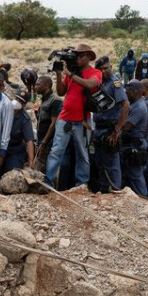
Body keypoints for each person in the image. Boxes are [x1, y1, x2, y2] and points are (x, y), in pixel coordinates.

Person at [45, 44, 101, 188]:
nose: (77, 58)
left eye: (80, 55)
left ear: (88, 56)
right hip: (65, 118)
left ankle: (81, 185)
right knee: (56, 151)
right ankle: (48, 182)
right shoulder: (72, 72)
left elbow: (90, 84)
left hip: (82, 120)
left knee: (82, 154)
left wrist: (70, 74)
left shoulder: (95, 72)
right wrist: (59, 74)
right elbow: (61, 92)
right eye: (76, 55)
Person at [91, 57, 130, 193]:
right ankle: (104, 191)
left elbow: (126, 106)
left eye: (106, 68)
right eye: (100, 69)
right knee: (100, 162)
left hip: (110, 128)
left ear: (111, 67)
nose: (103, 71)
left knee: (112, 164)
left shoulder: (115, 83)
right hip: (99, 127)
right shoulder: (100, 83)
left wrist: (117, 129)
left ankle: (116, 191)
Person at [121, 81, 148, 196]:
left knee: (136, 175)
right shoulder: (134, 104)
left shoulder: (139, 107)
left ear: (135, 92)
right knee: (131, 174)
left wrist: (116, 127)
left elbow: (127, 127)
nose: (126, 94)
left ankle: (143, 199)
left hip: (134, 145)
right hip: (132, 144)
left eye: (128, 92)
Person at [34, 75, 62, 172]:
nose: (35, 87)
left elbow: (53, 124)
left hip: (49, 143)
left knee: (48, 169)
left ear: (47, 85)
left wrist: (44, 142)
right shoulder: (44, 100)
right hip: (41, 141)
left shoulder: (55, 101)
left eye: (38, 84)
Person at [4, 89, 36, 174]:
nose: (17, 102)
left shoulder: (25, 118)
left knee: (12, 172)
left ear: (24, 105)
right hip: (0, 147)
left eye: (21, 101)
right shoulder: (4, 108)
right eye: (17, 99)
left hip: (15, 150)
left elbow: (29, 140)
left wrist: (31, 161)